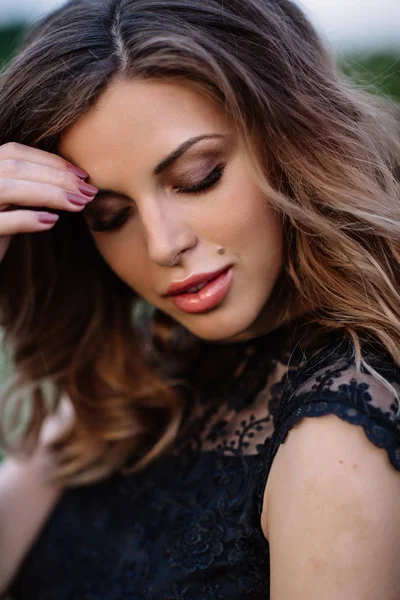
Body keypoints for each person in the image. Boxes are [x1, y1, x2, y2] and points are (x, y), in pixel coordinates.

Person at [0, 0, 400, 597]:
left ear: (293, 141)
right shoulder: (137, 377)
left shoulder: (340, 431)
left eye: (198, 177)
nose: (163, 245)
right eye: (110, 216)